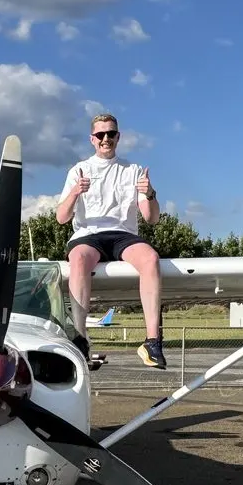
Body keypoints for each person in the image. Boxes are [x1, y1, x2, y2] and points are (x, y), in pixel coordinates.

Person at [55, 112, 166, 369]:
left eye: (111, 134)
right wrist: (75, 192)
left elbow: (151, 218)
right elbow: (62, 218)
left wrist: (149, 193)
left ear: (118, 137)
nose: (106, 139)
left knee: (150, 258)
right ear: (92, 139)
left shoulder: (133, 170)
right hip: (88, 234)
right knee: (79, 258)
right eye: (100, 135)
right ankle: (81, 338)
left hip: (123, 235)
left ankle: (152, 340)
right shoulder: (78, 170)